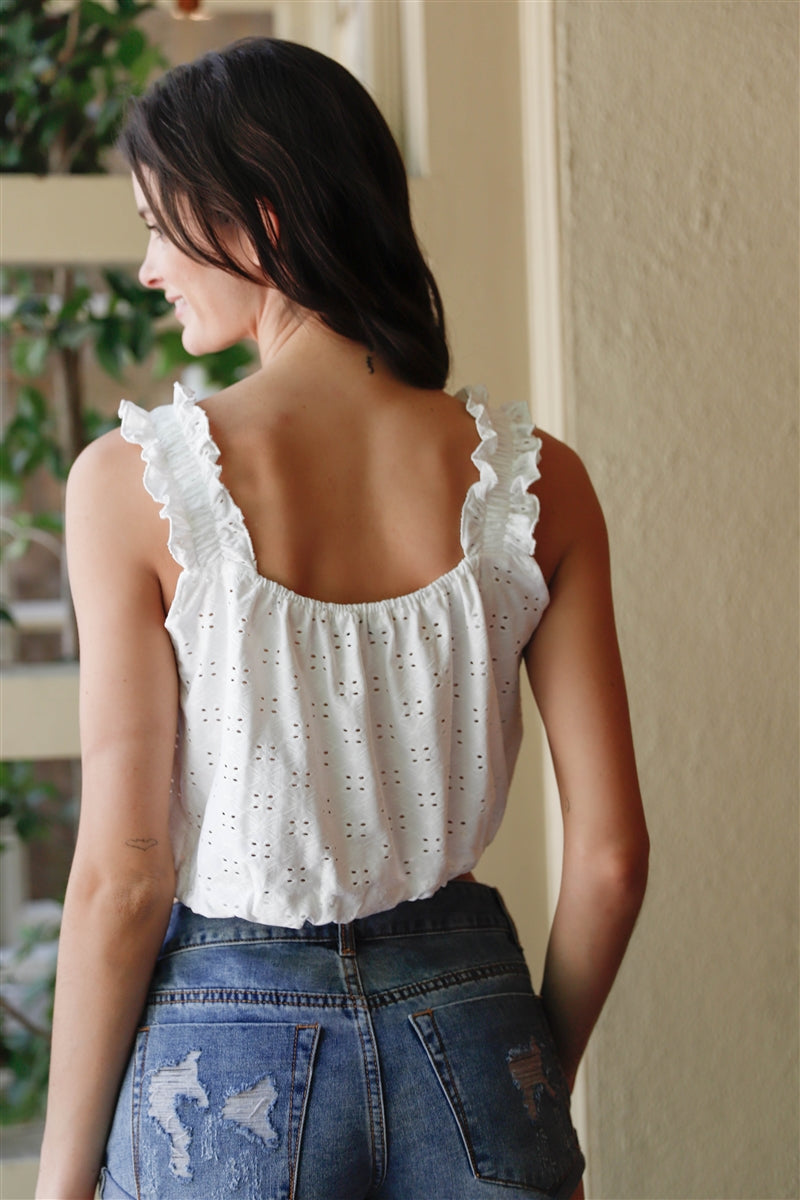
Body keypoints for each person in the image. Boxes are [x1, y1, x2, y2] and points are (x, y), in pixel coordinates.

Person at [36, 37, 648, 1200]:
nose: (151, 269)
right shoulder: (536, 480)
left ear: (262, 220)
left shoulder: (136, 484)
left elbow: (124, 874)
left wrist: (58, 1183)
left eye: (163, 228)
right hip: (473, 1029)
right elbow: (612, 859)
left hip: (225, 1058)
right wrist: (522, 1086)